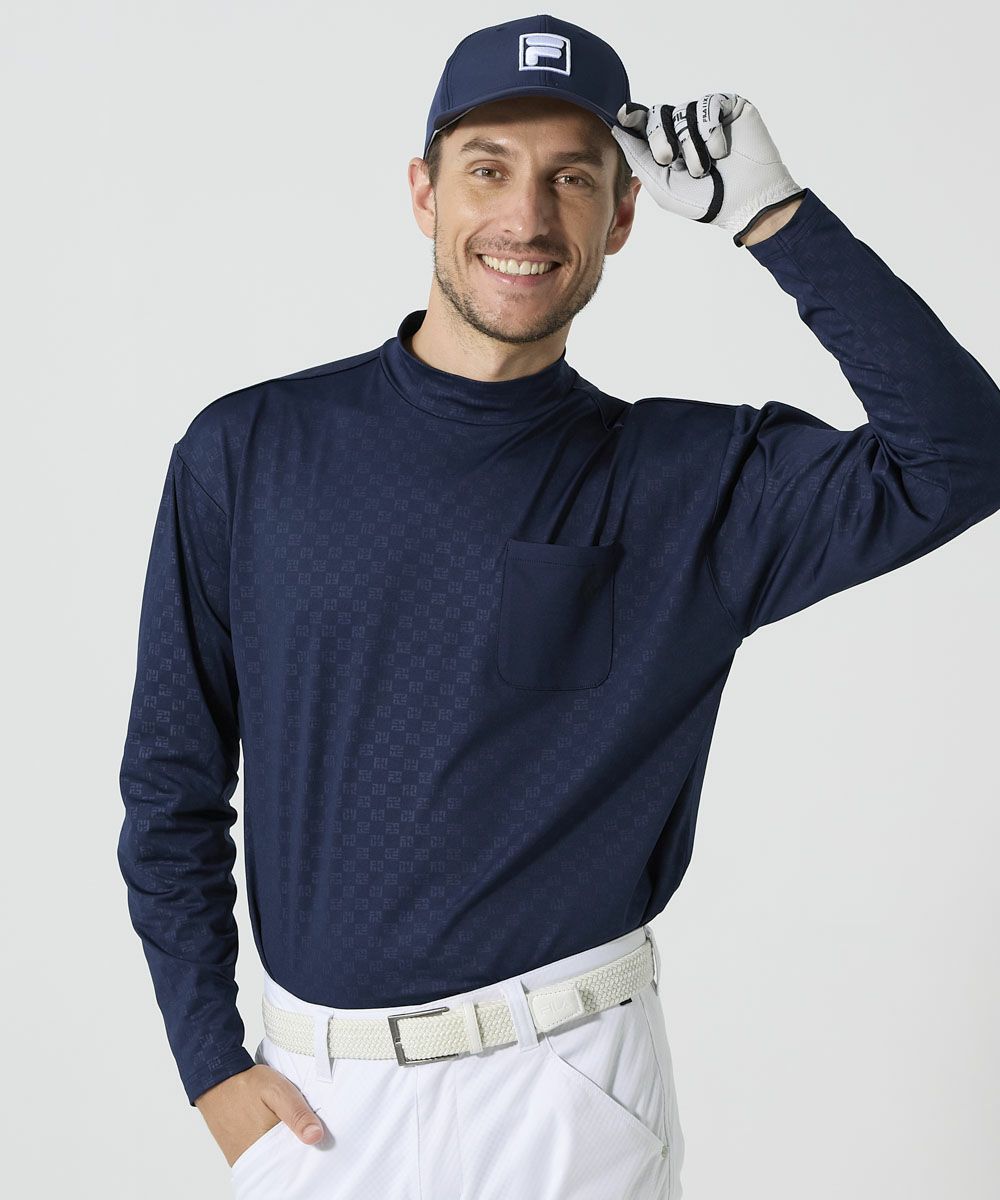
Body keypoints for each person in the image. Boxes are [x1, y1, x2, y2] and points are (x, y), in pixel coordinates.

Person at [116, 13, 1000, 1200]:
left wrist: (774, 215)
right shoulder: (250, 452)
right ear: (424, 192)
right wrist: (209, 1066)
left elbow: (962, 457)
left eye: (571, 179)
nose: (527, 219)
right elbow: (170, 786)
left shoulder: (692, 484)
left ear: (622, 216)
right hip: (320, 1105)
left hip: (565, 1090)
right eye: (488, 170)